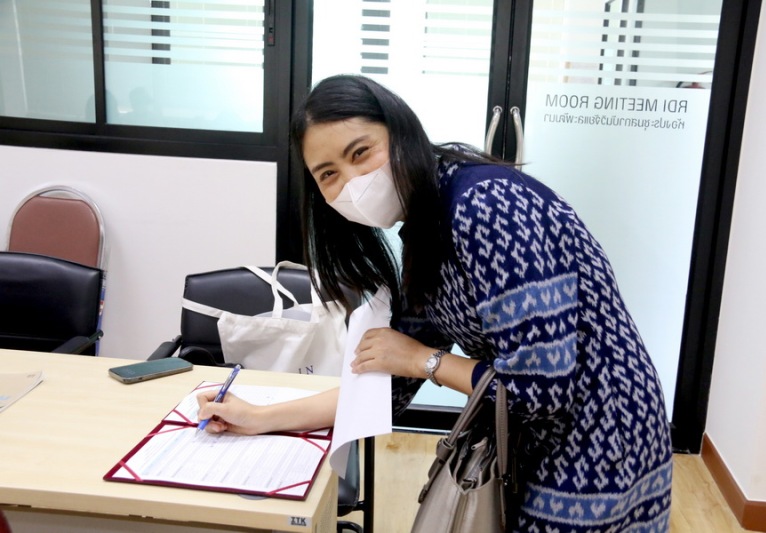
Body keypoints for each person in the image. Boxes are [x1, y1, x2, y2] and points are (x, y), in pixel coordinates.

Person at [198, 74, 673, 532]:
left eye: (360, 152)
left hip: (600, 434)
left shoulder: (486, 205)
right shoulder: (424, 231)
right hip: (524, 438)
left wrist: (424, 360)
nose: (352, 181)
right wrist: (259, 417)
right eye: (328, 174)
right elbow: (384, 389)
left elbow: (539, 390)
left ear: (400, 131)